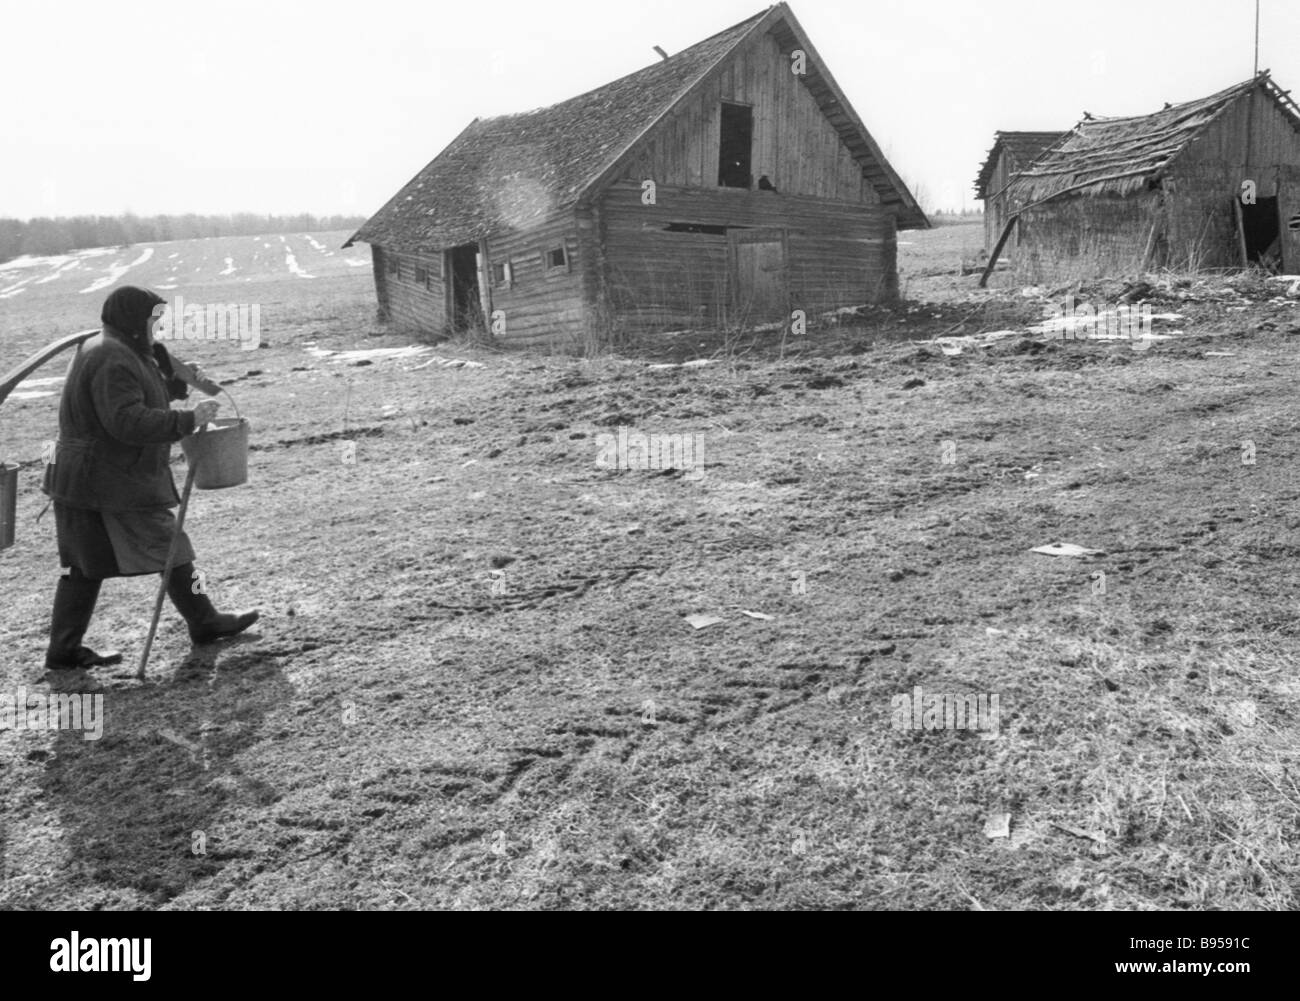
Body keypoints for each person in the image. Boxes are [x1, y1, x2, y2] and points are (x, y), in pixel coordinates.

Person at [42, 286, 259, 688]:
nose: (157, 325)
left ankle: (63, 651)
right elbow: (127, 422)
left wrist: (175, 384)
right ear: (133, 318)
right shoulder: (111, 356)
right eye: (152, 318)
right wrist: (186, 420)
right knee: (171, 548)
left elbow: (139, 394)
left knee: (84, 566)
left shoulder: (114, 347)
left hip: (85, 478)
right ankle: (205, 620)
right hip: (109, 480)